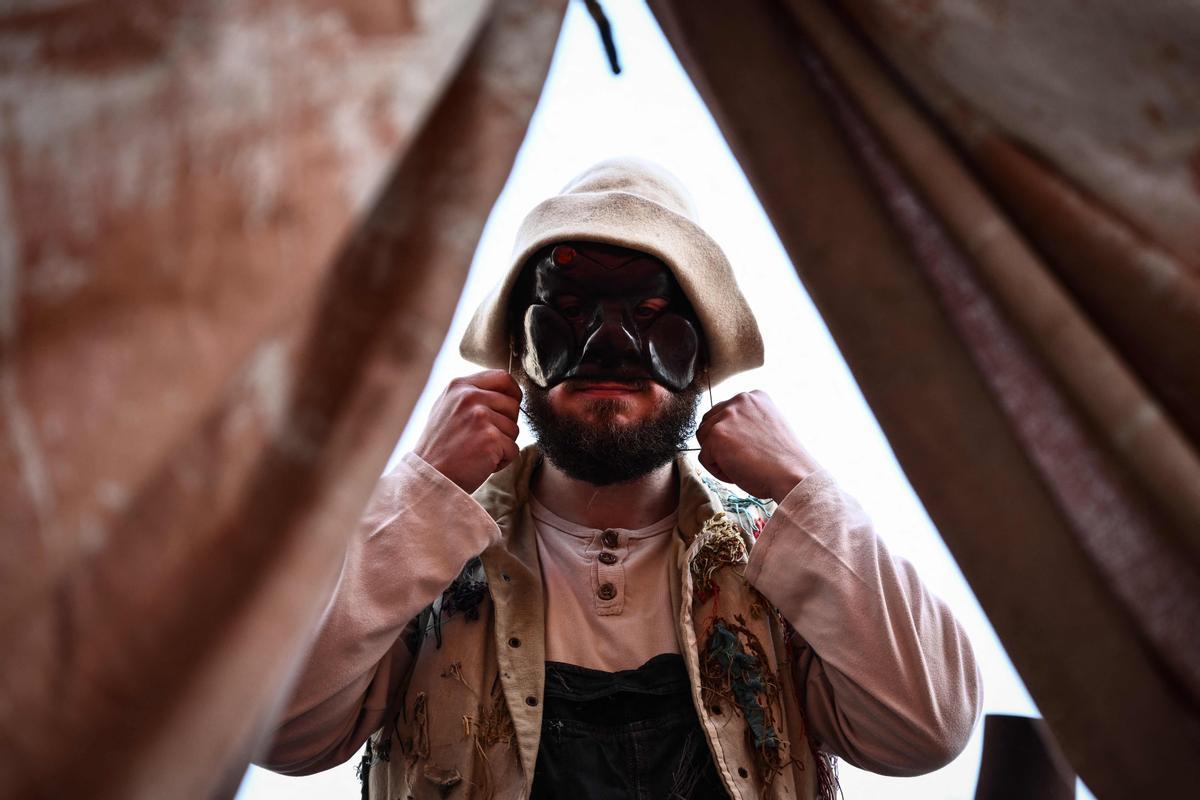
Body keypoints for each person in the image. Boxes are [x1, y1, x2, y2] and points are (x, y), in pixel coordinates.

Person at [259, 158, 982, 799]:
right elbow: (276, 730)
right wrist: (419, 493)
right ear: (515, 353)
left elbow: (926, 730)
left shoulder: (781, 560)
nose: (610, 347)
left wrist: (805, 491)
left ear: (702, 359)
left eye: (651, 316)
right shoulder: (424, 560)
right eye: (568, 314)